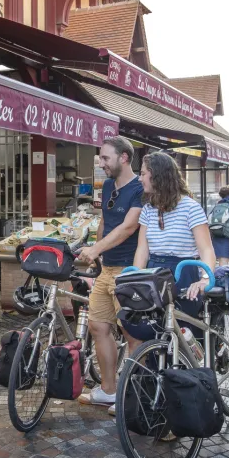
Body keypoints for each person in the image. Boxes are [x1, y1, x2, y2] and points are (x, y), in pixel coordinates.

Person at [75, 137, 143, 412]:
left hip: (129, 269)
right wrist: (97, 252)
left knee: (132, 333)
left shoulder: (140, 188)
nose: (101, 163)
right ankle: (108, 389)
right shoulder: (108, 186)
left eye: (105, 158)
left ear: (124, 157)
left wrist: (97, 248)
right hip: (108, 267)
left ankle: (135, 394)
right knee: (98, 326)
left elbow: (129, 227)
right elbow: (105, 220)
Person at [125, 152, 216, 356]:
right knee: (147, 325)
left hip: (184, 272)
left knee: (180, 329)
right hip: (155, 273)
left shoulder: (190, 208)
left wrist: (203, 279)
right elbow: (142, 248)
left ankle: (189, 372)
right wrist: (135, 277)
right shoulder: (148, 209)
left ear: (158, 176)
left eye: (143, 173)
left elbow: (207, 249)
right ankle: (154, 378)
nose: (139, 178)